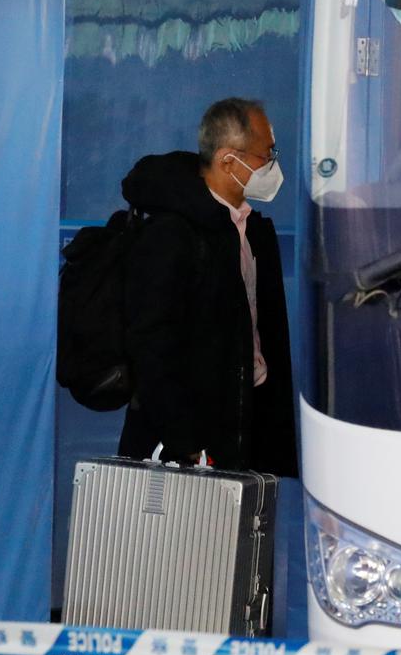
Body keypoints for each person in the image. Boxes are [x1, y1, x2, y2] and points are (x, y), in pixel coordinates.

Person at [117, 98, 298, 478]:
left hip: (249, 421)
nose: (272, 165)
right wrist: (188, 444)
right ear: (228, 160)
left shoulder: (252, 232)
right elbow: (151, 345)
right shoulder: (172, 235)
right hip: (191, 446)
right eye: (267, 154)